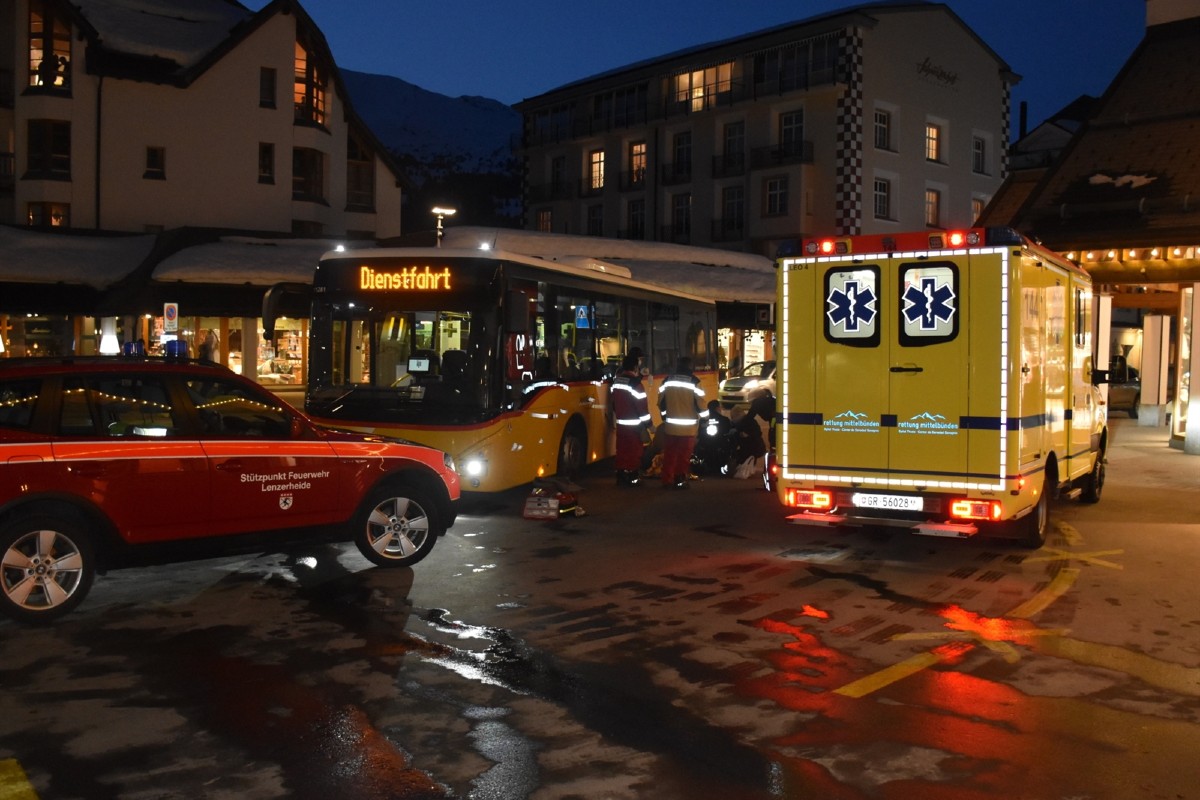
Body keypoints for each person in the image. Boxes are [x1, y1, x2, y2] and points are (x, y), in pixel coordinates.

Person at [657, 356, 706, 489]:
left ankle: (667, 480)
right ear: (690, 366)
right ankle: (680, 480)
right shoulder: (695, 381)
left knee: (669, 454)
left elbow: (661, 402)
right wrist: (705, 420)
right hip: (688, 428)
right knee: (683, 456)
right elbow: (700, 404)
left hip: (671, 426)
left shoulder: (667, 380)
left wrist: (664, 417)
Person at [608, 354, 651, 486]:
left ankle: (621, 476)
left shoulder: (617, 381)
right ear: (635, 367)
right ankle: (633, 477)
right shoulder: (636, 384)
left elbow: (614, 403)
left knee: (621, 450)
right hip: (634, 425)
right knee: (634, 451)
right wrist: (649, 424)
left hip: (621, 423)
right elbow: (642, 407)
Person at [693, 399, 734, 476]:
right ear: (717, 408)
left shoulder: (703, 420)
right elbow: (727, 432)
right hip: (720, 445)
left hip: (705, 445)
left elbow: (699, 433)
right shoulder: (724, 420)